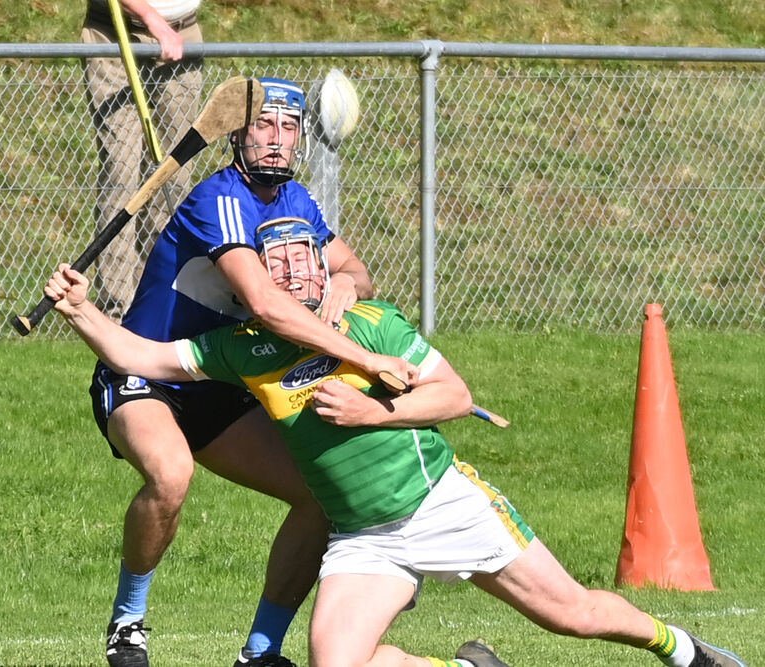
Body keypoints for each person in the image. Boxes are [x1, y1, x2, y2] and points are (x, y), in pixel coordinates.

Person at [45, 218, 748, 667]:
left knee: (576, 615)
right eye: (278, 262)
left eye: (305, 259)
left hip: (444, 505)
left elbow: (455, 396)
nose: (296, 271)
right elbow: (145, 357)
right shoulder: (246, 347)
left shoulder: (374, 322)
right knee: (336, 664)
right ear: (261, 280)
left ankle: (681, 648)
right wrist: (81, 311)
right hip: (365, 538)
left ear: (323, 270)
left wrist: (370, 412)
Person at [78, 74, 415, 667]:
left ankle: (260, 653)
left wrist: (343, 281)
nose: (277, 138)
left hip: (217, 378)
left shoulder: (298, 201)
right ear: (238, 133)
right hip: (146, 369)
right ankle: (127, 622)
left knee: (318, 495)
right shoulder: (219, 199)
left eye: (289, 127)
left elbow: (358, 271)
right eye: (263, 124)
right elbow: (264, 304)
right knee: (171, 475)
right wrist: (365, 358)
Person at [82, 0, 204, 321]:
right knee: (121, 177)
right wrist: (152, 18)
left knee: (174, 178)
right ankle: (116, 312)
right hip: (115, 32)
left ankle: (159, 302)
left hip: (182, 33)